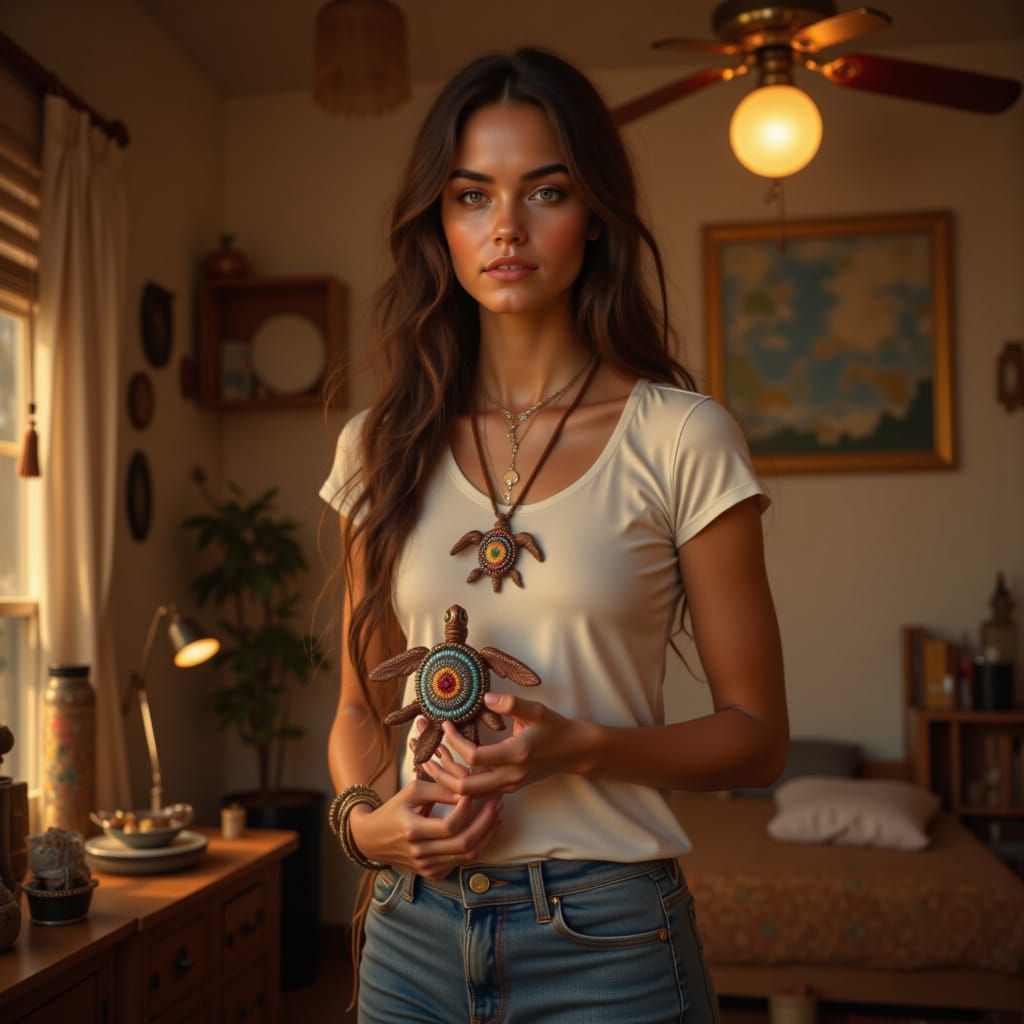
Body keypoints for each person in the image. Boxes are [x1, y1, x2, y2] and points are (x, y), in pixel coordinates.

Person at [320, 47, 787, 1024]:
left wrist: (581, 746)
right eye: (470, 194)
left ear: (595, 217)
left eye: (544, 191)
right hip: (407, 941)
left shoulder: (680, 436)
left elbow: (756, 738)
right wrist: (371, 826)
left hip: (608, 944)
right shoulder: (378, 445)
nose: (505, 227)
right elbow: (360, 710)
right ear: (437, 222)